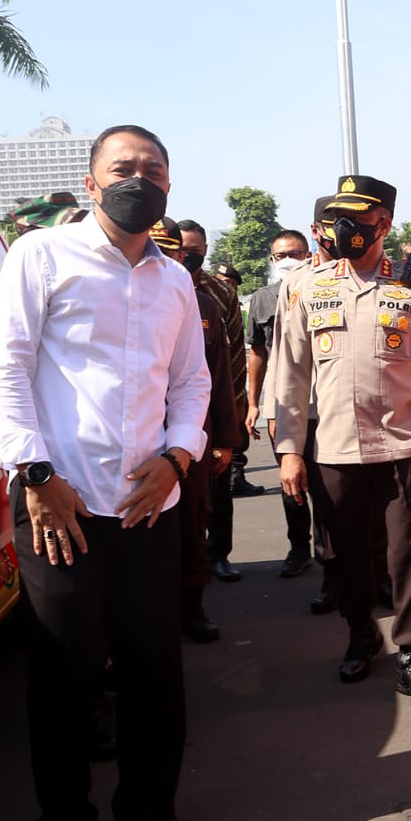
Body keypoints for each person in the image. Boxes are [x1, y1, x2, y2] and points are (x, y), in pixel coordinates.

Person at [0, 124, 211, 821]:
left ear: (169, 187)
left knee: (154, 672)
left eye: (152, 170)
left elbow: (191, 384)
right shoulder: (39, 256)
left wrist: (178, 456)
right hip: (61, 502)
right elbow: (6, 368)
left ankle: (150, 812)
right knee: (64, 673)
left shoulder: (175, 280)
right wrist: (36, 474)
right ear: (91, 183)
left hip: (149, 503)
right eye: (122, 168)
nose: (137, 179)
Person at [272, 175, 411, 709]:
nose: (346, 228)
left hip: (403, 447)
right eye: (340, 217)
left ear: (383, 223)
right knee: (347, 556)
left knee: (408, 555)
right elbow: (288, 375)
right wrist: (290, 450)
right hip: (334, 449)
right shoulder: (306, 286)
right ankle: (361, 633)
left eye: (358, 219)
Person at [151, 217, 238, 639]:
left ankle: (192, 610)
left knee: (191, 526)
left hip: (190, 440)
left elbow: (218, 377)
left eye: (168, 251)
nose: (160, 259)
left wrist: (223, 440)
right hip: (135, 444)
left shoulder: (203, 306)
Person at [175, 221, 252, 584]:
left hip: (214, 406)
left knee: (218, 491)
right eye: (182, 248)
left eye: (196, 250)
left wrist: (232, 418)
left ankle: (219, 555)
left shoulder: (218, 295)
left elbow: (234, 357)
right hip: (171, 414)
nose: (188, 256)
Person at [246, 224, 322, 583]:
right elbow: (258, 354)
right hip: (282, 402)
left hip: (322, 401)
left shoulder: (323, 287)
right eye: (281, 256)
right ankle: (299, 548)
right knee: (292, 482)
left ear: (308, 255)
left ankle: (330, 555)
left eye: (295, 254)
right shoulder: (262, 299)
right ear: (272, 260)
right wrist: (256, 403)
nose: (288, 261)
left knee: (326, 484)